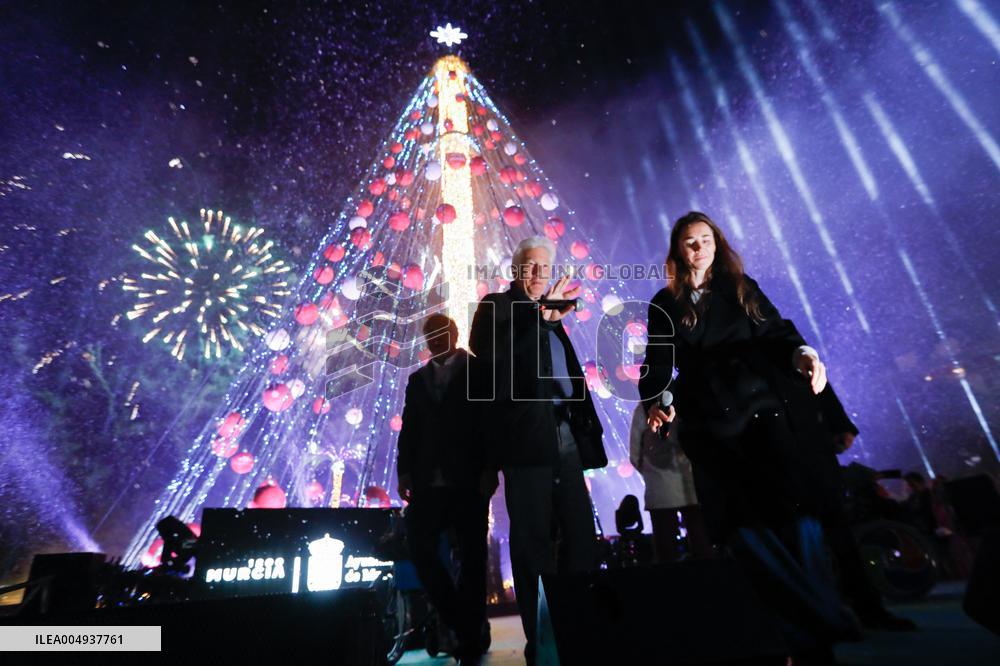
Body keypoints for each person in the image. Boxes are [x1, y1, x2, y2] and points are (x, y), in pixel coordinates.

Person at [639, 212, 858, 665]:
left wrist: (803, 354)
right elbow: (659, 363)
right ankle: (786, 628)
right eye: (689, 242)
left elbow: (778, 333)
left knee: (791, 515)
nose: (699, 249)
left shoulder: (741, 288)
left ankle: (818, 621)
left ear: (717, 244)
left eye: (706, 240)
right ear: (677, 250)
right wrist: (659, 399)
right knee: (740, 529)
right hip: (709, 426)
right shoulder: (664, 303)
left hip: (762, 415)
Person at [469, 236, 606, 665]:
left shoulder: (549, 316)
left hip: (565, 438)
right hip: (524, 443)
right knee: (532, 547)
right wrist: (539, 318)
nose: (536, 275)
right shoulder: (497, 307)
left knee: (582, 540)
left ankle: (580, 631)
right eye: (529, 266)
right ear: (515, 270)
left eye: (544, 269)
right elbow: (490, 359)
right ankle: (542, 641)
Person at [396, 313, 489, 665]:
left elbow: (487, 423)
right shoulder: (417, 380)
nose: (435, 339)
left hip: (467, 478)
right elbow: (410, 430)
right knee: (420, 548)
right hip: (427, 481)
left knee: (472, 557)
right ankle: (463, 622)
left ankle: (467, 634)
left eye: (441, 333)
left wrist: (489, 468)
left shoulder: (477, 370)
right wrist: (404, 472)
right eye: (430, 334)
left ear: (453, 334)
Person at [627, 404, 711, 562]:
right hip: (689, 483)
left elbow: (634, 453)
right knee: (700, 542)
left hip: (660, 486)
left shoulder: (643, 409)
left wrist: (649, 471)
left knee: (666, 550)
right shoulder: (683, 401)